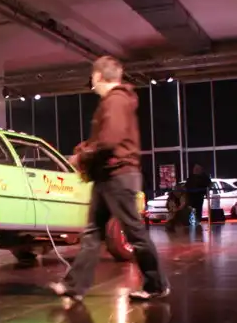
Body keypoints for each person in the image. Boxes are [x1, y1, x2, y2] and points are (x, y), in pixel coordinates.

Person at [49, 56, 169, 302]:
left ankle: (157, 285)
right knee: (94, 232)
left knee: (133, 232)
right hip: (108, 176)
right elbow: (106, 139)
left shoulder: (115, 101)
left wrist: (82, 156)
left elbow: (109, 141)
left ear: (98, 76)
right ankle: (74, 286)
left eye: (93, 76)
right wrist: (87, 152)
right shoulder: (117, 101)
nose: (91, 82)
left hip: (118, 176)